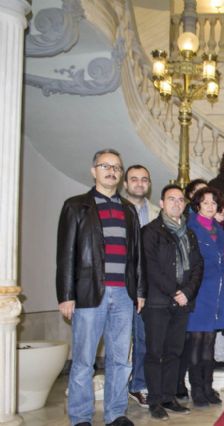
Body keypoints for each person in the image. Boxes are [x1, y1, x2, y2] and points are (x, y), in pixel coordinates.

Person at [57, 149, 144, 426]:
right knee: (84, 360)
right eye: (105, 166)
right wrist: (66, 295)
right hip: (89, 293)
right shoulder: (75, 206)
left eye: (116, 167)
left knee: (120, 360)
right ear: (94, 171)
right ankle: (80, 417)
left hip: (124, 295)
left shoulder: (128, 209)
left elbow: (137, 255)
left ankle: (116, 414)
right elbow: (65, 254)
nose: (112, 171)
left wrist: (139, 291)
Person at [142, 184, 203, 420]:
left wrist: (187, 292)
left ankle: (169, 397)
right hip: (158, 302)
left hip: (182, 302)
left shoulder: (189, 233)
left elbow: (198, 266)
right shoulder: (150, 231)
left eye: (180, 200)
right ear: (161, 203)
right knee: (155, 353)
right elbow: (151, 268)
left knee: (174, 352)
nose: (177, 203)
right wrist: (176, 291)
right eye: (171, 199)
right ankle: (155, 401)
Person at [185, 187, 224, 407]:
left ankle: (207, 386)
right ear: (197, 206)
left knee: (210, 341)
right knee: (197, 340)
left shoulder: (218, 230)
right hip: (198, 290)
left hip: (217, 291)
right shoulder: (190, 228)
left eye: (214, 202)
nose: (211, 206)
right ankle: (197, 389)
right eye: (206, 202)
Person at [122, 164, 160, 408]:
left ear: (149, 184)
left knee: (143, 338)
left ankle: (138, 385)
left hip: (147, 287)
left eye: (144, 179)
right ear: (125, 184)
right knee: (118, 341)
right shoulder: (116, 209)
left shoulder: (157, 213)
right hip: (119, 284)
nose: (139, 183)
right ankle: (118, 386)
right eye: (134, 179)